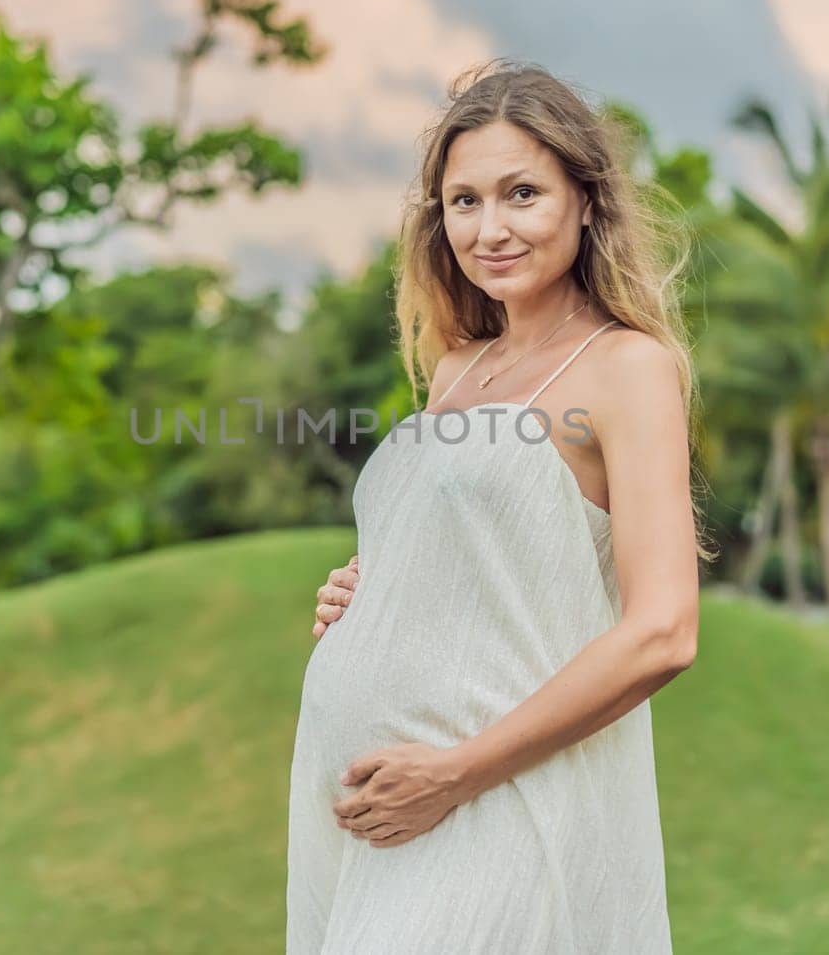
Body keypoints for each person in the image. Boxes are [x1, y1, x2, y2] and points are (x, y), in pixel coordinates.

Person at [285, 59, 708, 953]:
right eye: (464, 202)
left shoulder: (625, 368)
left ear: (586, 200)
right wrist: (370, 593)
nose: (490, 229)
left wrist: (454, 774)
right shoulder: (456, 368)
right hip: (372, 814)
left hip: (491, 805)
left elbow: (664, 630)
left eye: (522, 193)